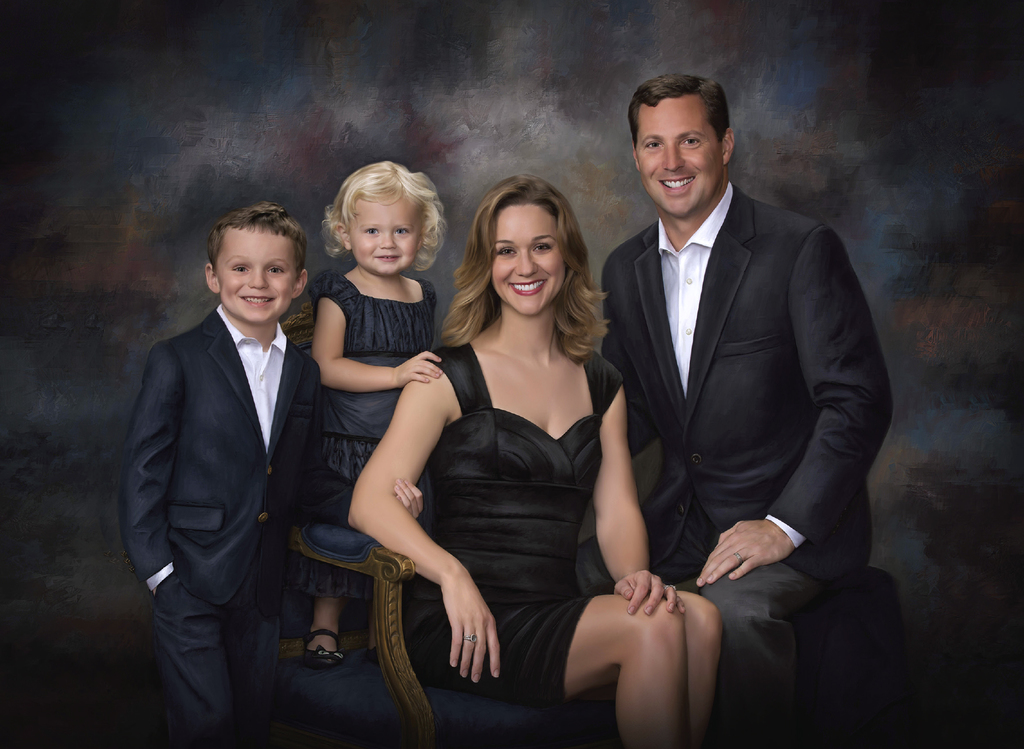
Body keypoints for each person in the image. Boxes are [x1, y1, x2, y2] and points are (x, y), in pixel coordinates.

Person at [349, 175, 722, 749]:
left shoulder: (602, 382)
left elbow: (617, 512)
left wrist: (635, 577)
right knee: (656, 629)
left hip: (552, 607)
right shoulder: (447, 375)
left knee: (702, 620)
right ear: (488, 265)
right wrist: (452, 575)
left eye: (541, 246)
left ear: (567, 256)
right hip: (460, 620)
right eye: (506, 250)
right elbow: (368, 502)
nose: (525, 266)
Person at [600, 73, 893, 745]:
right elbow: (629, 411)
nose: (671, 162)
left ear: (725, 145)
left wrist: (782, 526)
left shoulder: (800, 248)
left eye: (690, 140)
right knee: (558, 577)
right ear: (636, 156)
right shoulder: (624, 268)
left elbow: (857, 401)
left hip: (787, 529)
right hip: (676, 524)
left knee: (732, 617)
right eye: (653, 144)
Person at [118, 202, 353, 747]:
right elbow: (141, 474)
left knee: (251, 726)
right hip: (189, 579)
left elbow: (310, 476)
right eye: (241, 267)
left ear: (298, 283)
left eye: (275, 269)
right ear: (213, 276)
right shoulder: (176, 359)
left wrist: (373, 501)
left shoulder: (304, 371)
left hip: (263, 587)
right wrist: (160, 575)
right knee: (207, 727)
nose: (257, 282)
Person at [285, 161, 445, 667]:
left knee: (410, 525)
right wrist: (396, 375)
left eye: (401, 230)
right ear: (345, 233)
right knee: (354, 527)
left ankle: (388, 632)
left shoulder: (423, 295)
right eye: (372, 230)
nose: (387, 242)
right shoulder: (340, 293)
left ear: (423, 233)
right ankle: (325, 626)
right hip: (347, 445)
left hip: (403, 445)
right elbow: (326, 365)